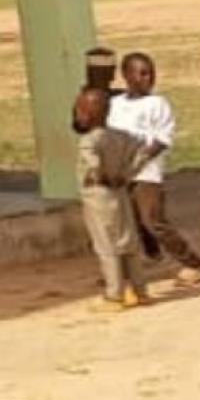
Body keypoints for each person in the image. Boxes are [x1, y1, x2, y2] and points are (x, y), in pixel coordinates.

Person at [111, 52, 200, 287]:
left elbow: (162, 140)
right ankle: (127, 269)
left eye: (151, 73)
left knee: (153, 221)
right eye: (142, 73)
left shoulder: (157, 104)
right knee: (127, 222)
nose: (148, 78)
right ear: (126, 75)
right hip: (120, 173)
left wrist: (138, 161)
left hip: (146, 174)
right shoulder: (115, 105)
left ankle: (195, 264)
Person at [73, 87, 149, 311]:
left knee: (106, 245)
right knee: (129, 242)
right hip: (120, 192)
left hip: (98, 196)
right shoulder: (121, 136)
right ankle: (140, 291)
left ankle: (114, 295)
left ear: (86, 113)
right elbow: (143, 150)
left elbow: (93, 164)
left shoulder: (89, 140)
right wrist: (126, 174)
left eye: (80, 109)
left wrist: (102, 175)